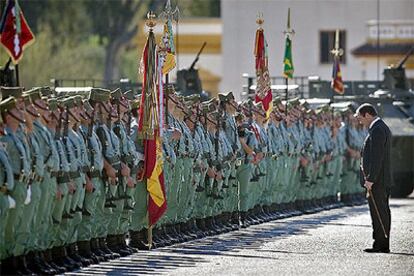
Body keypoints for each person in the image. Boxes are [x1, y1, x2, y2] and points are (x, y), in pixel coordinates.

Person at [354, 103, 392, 253]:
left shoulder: (377, 130)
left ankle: (381, 245)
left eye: (359, 117)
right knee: (379, 212)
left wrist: (370, 179)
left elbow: (377, 158)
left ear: (367, 115)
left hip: (378, 181)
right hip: (379, 180)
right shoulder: (379, 128)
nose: (359, 121)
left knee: (379, 212)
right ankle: (380, 243)